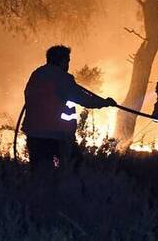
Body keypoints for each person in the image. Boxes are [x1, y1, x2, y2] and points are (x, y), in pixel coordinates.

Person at [22, 45, 116, 177]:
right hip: (56, 135)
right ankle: (71, 194)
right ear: (62, 61)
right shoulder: (62, 78)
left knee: (41, 175)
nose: (68, 65)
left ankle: (41, 196)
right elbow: (83, 98)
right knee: (75, 167)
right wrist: (104, 103)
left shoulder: (37, 74)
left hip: (34, 134)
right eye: (67, 61)